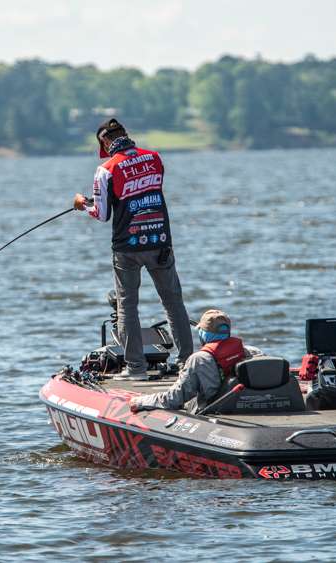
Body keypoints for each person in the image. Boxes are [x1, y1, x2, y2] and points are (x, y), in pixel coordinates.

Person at [73, 118, 193, 380]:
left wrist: (83, 204)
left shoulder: (105, 169)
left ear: (105, 142)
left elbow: (102, 214)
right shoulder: (154, 158)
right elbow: (145, 189)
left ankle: (136, 369)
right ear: (126, 135)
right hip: (160, 240)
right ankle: (186, 364)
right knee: (174, 304)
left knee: (128, 307)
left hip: (127, 246)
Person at [129, 309, 250, 413]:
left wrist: (141, 401)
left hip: (215, 408)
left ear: (203, 334)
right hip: (241, 404)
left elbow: (174, 399)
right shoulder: (248, 352)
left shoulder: (199, 359)